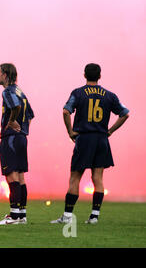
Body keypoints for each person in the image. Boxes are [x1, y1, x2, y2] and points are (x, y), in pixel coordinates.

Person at [51, 63, 129, 224]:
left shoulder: (78, 93)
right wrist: (110, 130)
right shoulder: (109, 95)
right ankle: (94, 216)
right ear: (100, 76)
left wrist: (70, 131)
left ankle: (67, 217)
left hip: (84, 139)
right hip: (101, 139)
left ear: (84, 75)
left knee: (75, 178)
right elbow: (125, 114)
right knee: (98, 178)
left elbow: (66, 111)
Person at [0, 63, 34, 225]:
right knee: (20, 176)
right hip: (21, 138)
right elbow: (30, 114)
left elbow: (15, 106)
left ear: (5, 74)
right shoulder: (20, 91)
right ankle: (22, 215)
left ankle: (14, 215)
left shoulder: (8, 91)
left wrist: (11, 122)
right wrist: (23, 130)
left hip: (10, 138)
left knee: (11, 174)